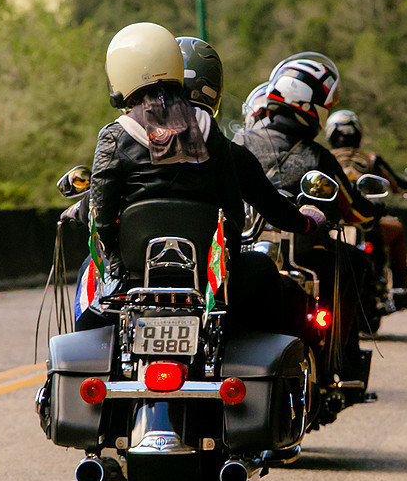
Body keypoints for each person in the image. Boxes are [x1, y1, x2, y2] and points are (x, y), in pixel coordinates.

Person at [87, 23, 318, 336]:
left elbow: (101, 214)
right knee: (265, 270)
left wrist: (114, 262)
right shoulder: (210, 133)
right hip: (209, 283)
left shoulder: (115, 135)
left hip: (133, 279)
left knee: (88, 284)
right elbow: (233, 211)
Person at [233, 52, 378, 382]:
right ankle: (342, 357)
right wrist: (372, 213)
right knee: (353, 262)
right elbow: (353, 210)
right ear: (309, 104)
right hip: (304, 254)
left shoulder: (240, 142)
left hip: (240, 251)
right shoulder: (317, 155)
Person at [175, 36, 324, 336]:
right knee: (268, 272)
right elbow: (274, 207)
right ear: (212, 91)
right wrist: (307, 223)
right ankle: (274, 377)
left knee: (92, 267)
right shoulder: (230, 154)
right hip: (213, 278)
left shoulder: (126, 142)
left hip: (136, 277)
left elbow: (98, 205)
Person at [325, 109, 407, 309]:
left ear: (330, 134)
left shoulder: (323, 157)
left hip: (331, 224)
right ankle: (400, 287)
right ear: (358, 133)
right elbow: (397, 185)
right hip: (367, 222)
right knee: (398, 229)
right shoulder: (371, 160)